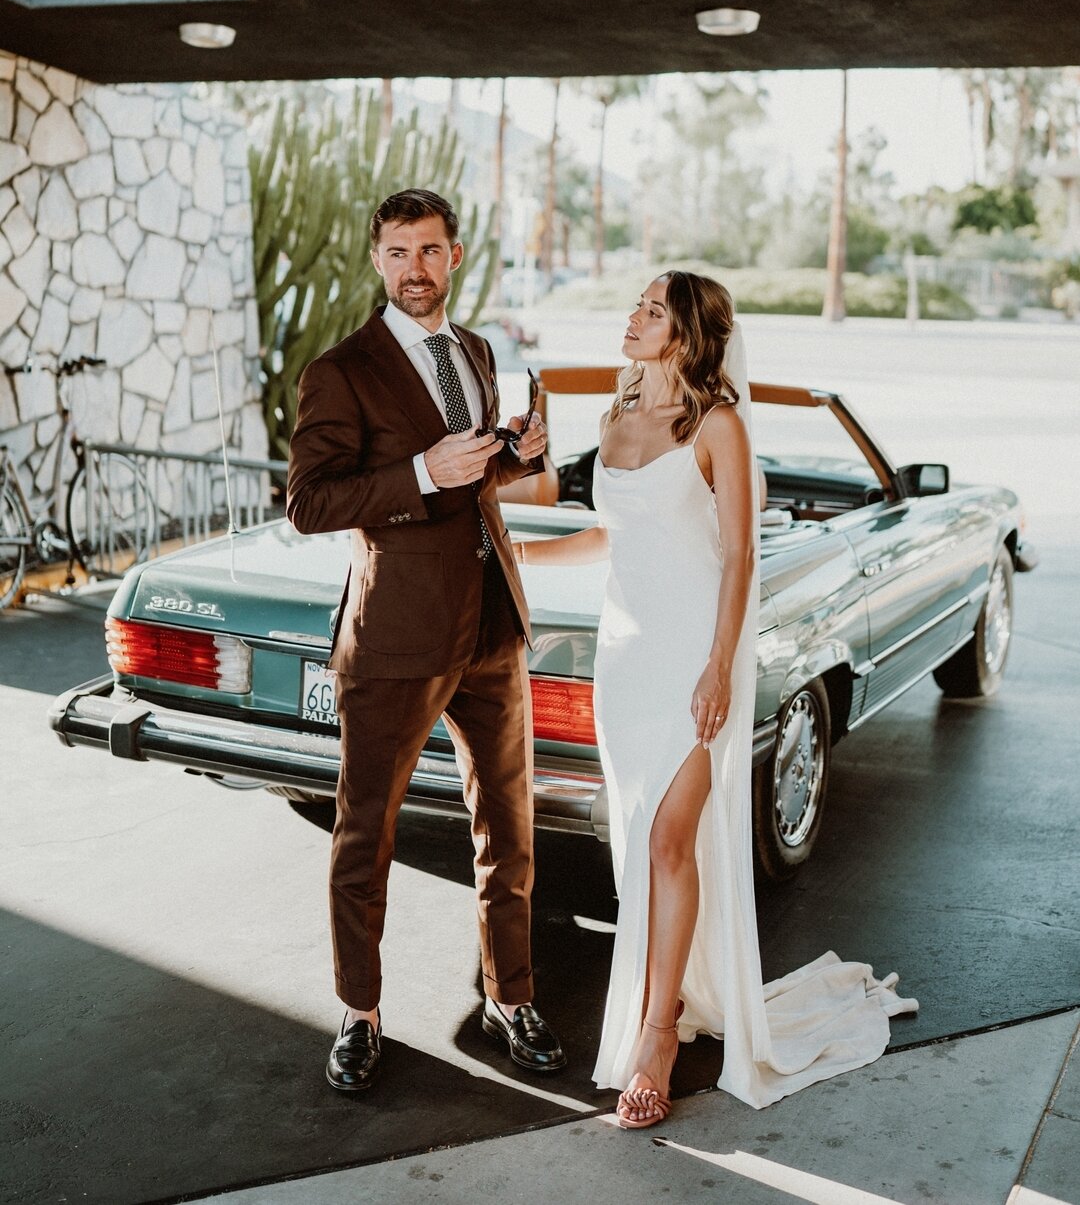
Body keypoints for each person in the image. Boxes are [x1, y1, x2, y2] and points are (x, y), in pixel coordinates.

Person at [514, 271, 915, 1124]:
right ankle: (674, 993)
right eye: (636, 304)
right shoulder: (616, 420)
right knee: (641, 846)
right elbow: (607, 534)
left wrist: (717, 666)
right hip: (624, 659)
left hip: (697, 655)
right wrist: (519, 556)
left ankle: (658, 1034)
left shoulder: (718, 426)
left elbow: (739, 558)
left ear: (688, 333)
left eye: (653, 310)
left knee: (670, 839)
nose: (633, 316)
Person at [287, 188, 566, 1093]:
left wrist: (519, 451)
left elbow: (476, 475)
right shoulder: (343, 370)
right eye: (399, 252)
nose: (416, 269)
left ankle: (509, 995)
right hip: (397, 638)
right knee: (364, 834)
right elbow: (309, 501)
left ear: (455, 256)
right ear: (378, 261)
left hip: (492, 624)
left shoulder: (476, 351)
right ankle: (360, 1014)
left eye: (431, 251)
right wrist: (416, 470)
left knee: (509, 831)